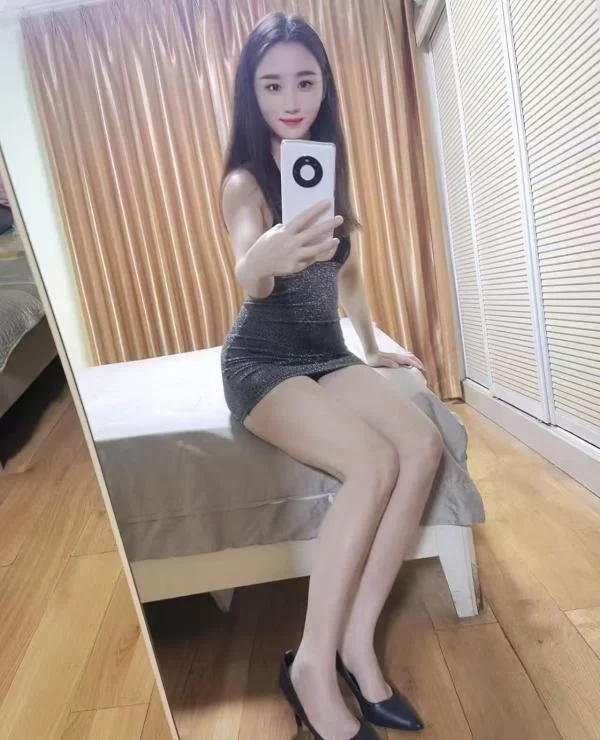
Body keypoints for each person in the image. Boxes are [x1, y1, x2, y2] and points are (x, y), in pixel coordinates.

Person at [220, 13, 443, 740]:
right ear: (251, 94)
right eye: (272, 85)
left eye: (304, 81)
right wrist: (262, 261)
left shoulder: (324, 167)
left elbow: (350, 280)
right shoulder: (246, 182)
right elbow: (249, 269)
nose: (291, 99)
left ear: (324, 87)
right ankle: (311, 666)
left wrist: (372, 349)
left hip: (325, 350)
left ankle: (356, 643)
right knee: (372, 462)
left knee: (422, 446)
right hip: (262, 360)